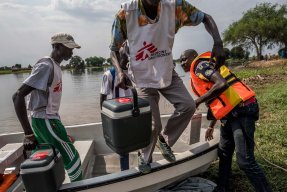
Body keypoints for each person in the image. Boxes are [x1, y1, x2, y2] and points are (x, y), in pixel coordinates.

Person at [110, 0, 225, 174]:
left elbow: (205, 18)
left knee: (188, 106)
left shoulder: (174, 7)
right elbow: (113, 49)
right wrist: (119, 72)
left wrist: (217, 42)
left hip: (166, 69)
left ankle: (164, 139)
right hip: (142, 75)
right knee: (154, 125)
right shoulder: (125, 14)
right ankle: (145, 159)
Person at [183, 49, 272, 192]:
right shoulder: (197, 75)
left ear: (193, 57)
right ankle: (222, 188)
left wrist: (197, 101)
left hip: (242, 110)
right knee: (224, 152)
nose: (182, 63)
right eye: (180, 60)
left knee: (245, 161)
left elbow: (221, 84)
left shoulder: (200, 65)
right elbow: (218, 101)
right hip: (229, 115)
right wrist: (212, 125)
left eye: (184, 59)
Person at [12, 33, 83, 182]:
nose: (72, 51)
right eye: (69, 48)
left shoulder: (54, 66)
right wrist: (28, 133)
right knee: (74, 159)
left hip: (48, 120)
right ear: (57, 47)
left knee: (53, 154)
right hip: (45, 120)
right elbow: (18, 96)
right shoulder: (46, 66)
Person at [100, 42, 132, 171]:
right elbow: (102, 97)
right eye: (126, 56)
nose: (129, 59)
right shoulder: (109, 74)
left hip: (133, 112)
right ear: (119, 57)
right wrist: (104, 118)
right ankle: (125, 173)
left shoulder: (134, 72)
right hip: (119, 116)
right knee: (123, 148)